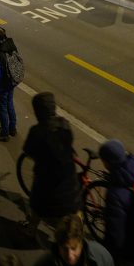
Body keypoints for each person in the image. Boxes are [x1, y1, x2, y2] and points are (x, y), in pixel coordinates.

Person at [21, 92, 81, 237]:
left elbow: (29, 150)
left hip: (48, 182)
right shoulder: (64, 124)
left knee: (37, 204)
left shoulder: (37, 131)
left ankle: (31, 230)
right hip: (70, 182)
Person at [31, 214, 119, 266]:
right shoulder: (46, 264)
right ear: (59, 246)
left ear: (81, 243)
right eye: (65, 249)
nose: (70, 255)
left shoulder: (99, 254)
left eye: (74, 248)